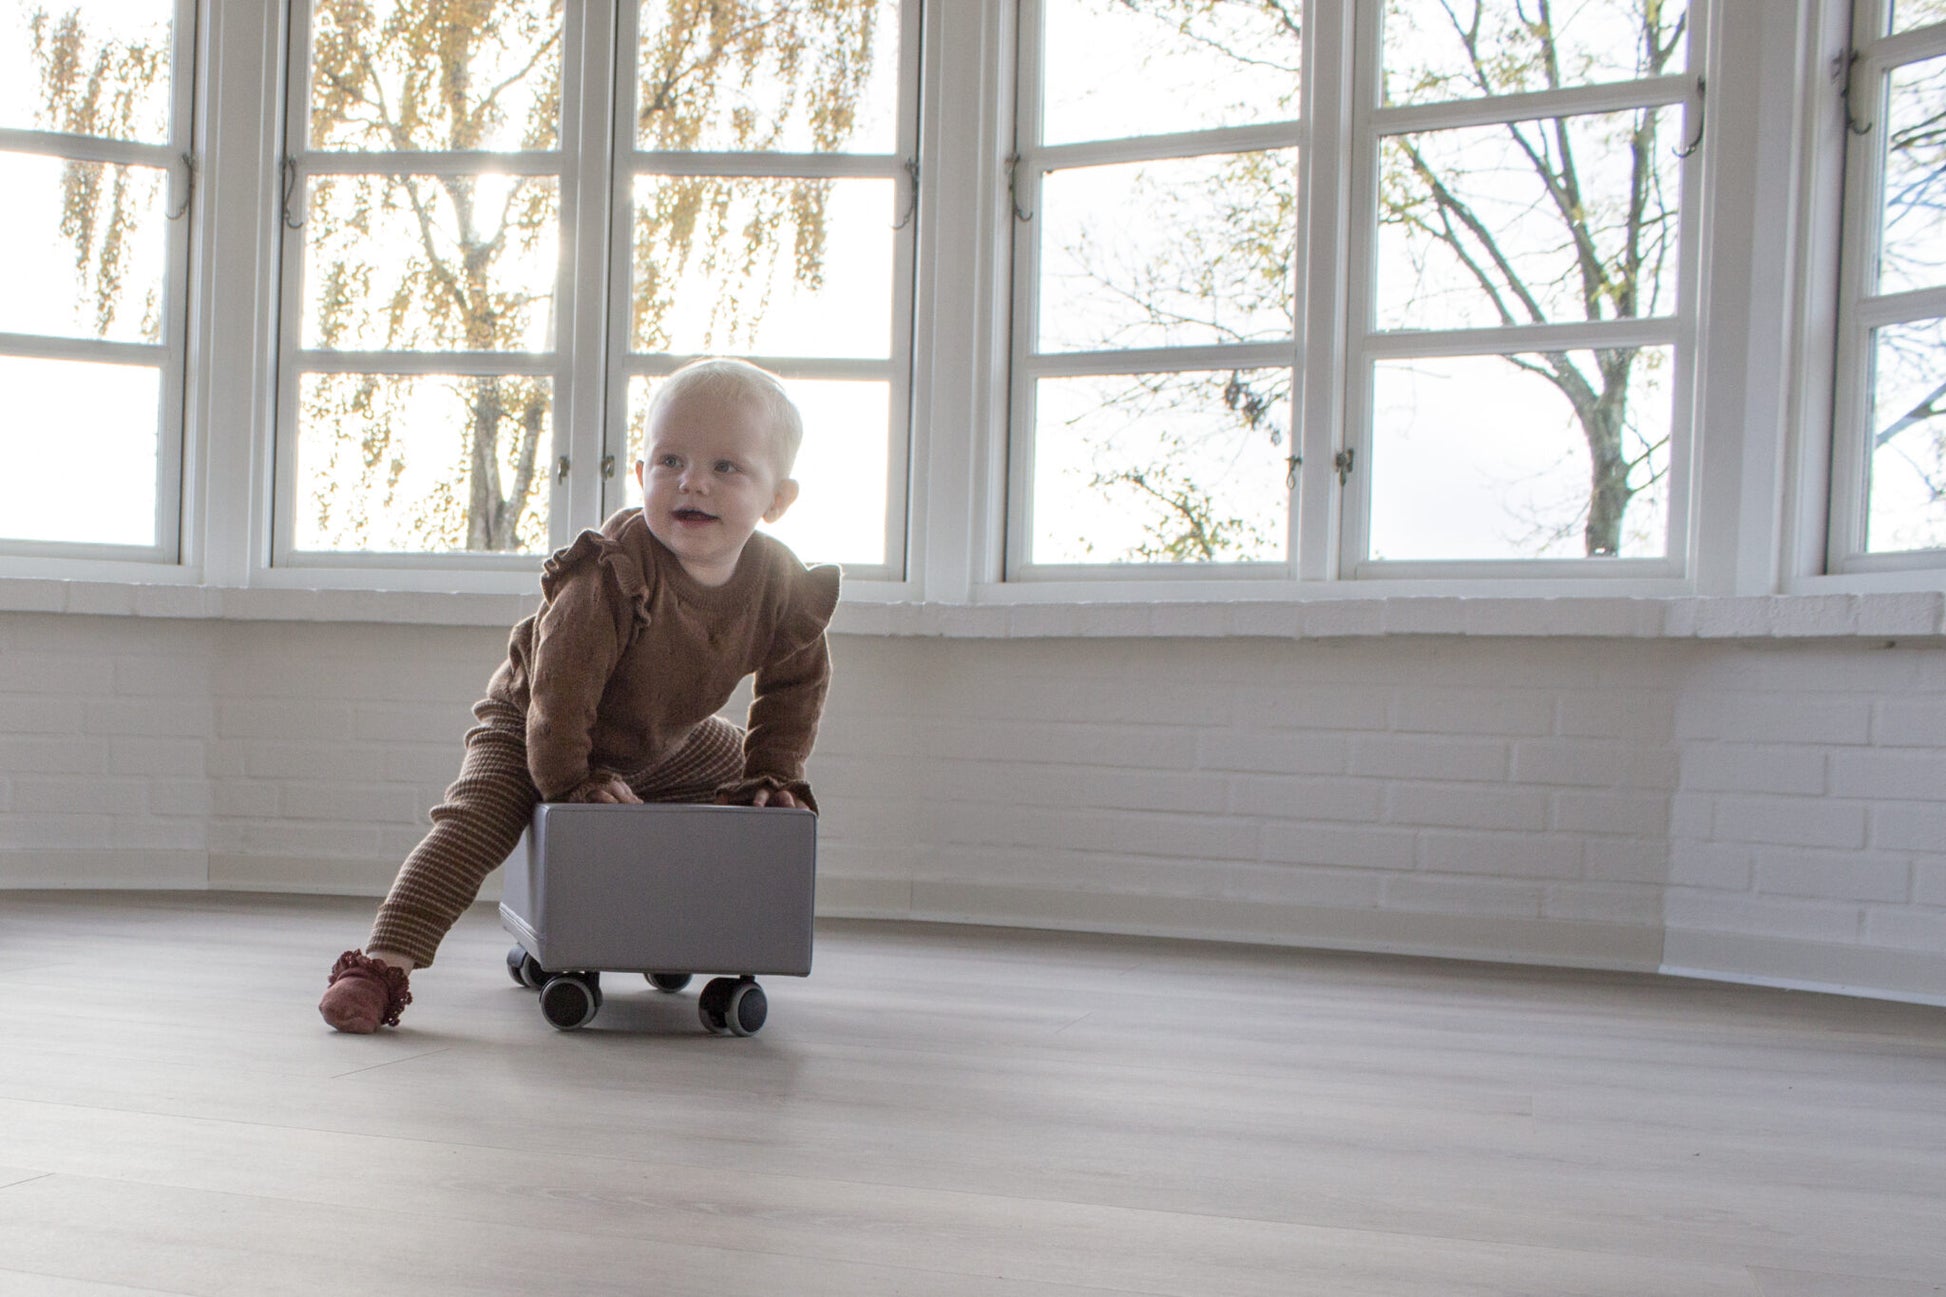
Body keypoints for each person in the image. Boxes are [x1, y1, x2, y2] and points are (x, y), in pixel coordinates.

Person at [318, 357, 840, 1033]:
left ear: (777, 498)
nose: (692, 482)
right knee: (475, 819)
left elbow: (795, 685)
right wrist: (570, 781)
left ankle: (673, 926)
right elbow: (561, 687)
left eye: (726, 467)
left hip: (662, 738)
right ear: (643, 471)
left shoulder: (781, 588)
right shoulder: (614, 569)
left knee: (757, 786)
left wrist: (772, 772)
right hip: (536, 720)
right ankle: (383, 960)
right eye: (670, 459)